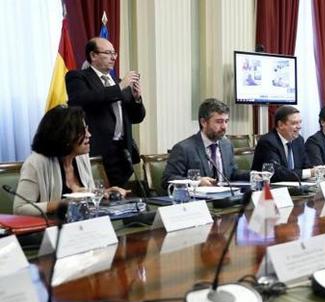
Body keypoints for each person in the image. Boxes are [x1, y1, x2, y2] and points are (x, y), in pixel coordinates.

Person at [13, 105, 128, 216]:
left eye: (87, 129)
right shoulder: (35, 163)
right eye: (82, 131)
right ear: (64, 134)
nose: (89, 135)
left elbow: (85, 196)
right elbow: (20, 209)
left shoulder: (81, 158)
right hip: (53, 231)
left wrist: (104, 193)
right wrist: (62, 204)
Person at [66, 37, 146, 187]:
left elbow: (137, 117)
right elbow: (84, 100)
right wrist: (120, 87)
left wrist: (137, 98)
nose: (113, 57)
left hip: (122, 151)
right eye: (108, 53)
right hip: (96, 149)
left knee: (121, 198)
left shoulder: (119, 82)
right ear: (93, 55)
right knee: (99, 198)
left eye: (114, 53)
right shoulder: (78, 77)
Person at [162, 98, 249, 189]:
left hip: (225, 199)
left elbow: (232, 173)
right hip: (200, 201)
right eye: (219, 121)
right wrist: (197, 182)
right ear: (203, 122)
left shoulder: (226, 145)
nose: (224, 126)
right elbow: (167, 180)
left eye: (226, 121)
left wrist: (254, 175)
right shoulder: (184, 148)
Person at [251, 106, 315, 182]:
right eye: (294, 123)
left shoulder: (298, 140)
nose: (299, 127)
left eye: (300, 122)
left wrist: (318, 171)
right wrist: (310, 172)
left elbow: (306, 166)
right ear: (281, 125)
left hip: (296, 188)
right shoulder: (268, 142)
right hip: (271, 189)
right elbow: (276, 172)